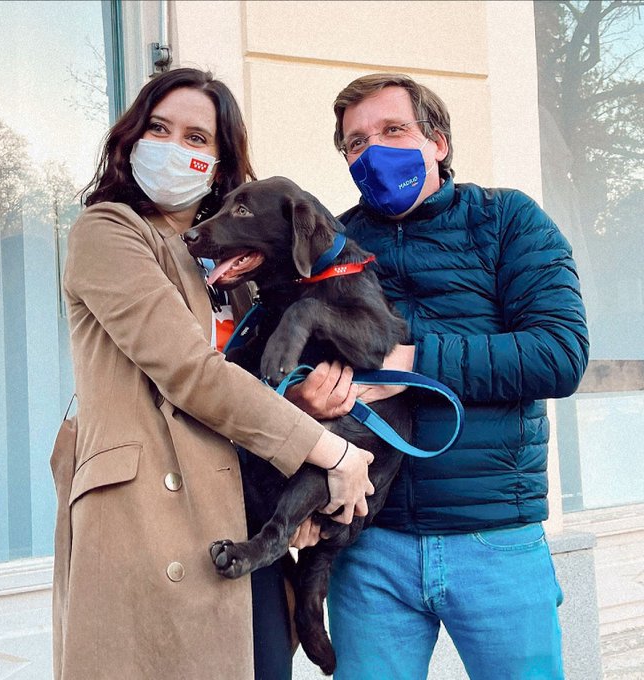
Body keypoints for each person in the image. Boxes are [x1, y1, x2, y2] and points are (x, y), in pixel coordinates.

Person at [49, 67, 375, 680]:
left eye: (197, 138)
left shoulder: (240, 268)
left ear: (221, 163)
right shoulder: (109, 233)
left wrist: (308, 411)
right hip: (149, 522)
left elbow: (256, 388)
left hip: (242, 522)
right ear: (131, 138)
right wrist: (329, 453)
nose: (175, 147)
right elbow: (189, 373)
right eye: (159, 128)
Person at [289, 73, 589, 679]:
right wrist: (303, 397)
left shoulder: (508, 222)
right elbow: (293, 355)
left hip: (497, 540)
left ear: (439, 142)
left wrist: (415, 365)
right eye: (355, 143)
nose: (372, 152)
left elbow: (559, 352)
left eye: (393, 130)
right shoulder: (334, 245)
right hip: (369, 545)